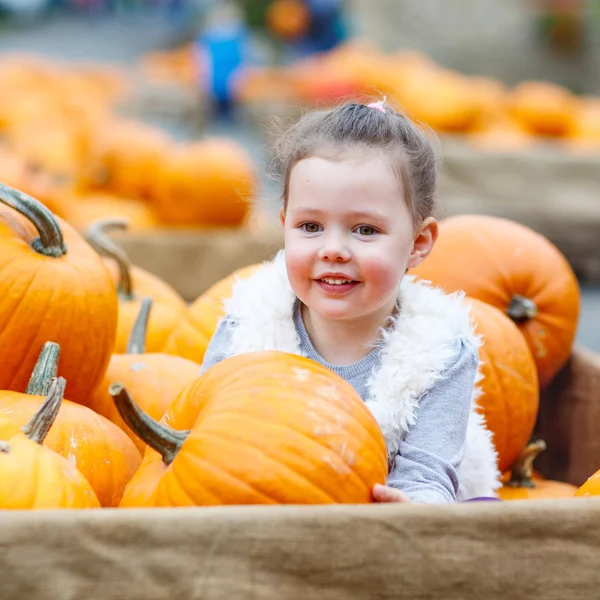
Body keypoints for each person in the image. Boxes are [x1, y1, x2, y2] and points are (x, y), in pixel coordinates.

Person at [200, 99, 501, 504]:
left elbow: (427, 475)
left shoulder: (439, 353)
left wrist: (412, 508)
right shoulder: (247, 330)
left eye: (364, 229)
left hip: (381, 536)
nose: (334, 250)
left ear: (418, 243)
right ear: (284, 225)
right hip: (262, 515)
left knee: (483, 521)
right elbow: (205, 442)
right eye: (310, 226)